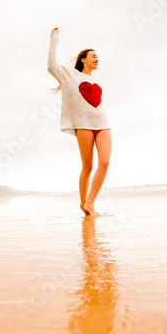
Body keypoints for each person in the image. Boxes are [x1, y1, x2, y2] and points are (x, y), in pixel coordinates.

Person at [47, 26, 112, 216]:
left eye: (97, 56)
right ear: (83, 59)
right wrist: (54, 38)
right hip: (83, 125)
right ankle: (83, 203)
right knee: (88, 166)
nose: (96, 58)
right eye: (93, 55)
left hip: (102, 124)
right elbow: (50, 66)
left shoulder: (95, 83)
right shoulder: (69, 75)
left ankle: (90, 203)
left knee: (105, 162)